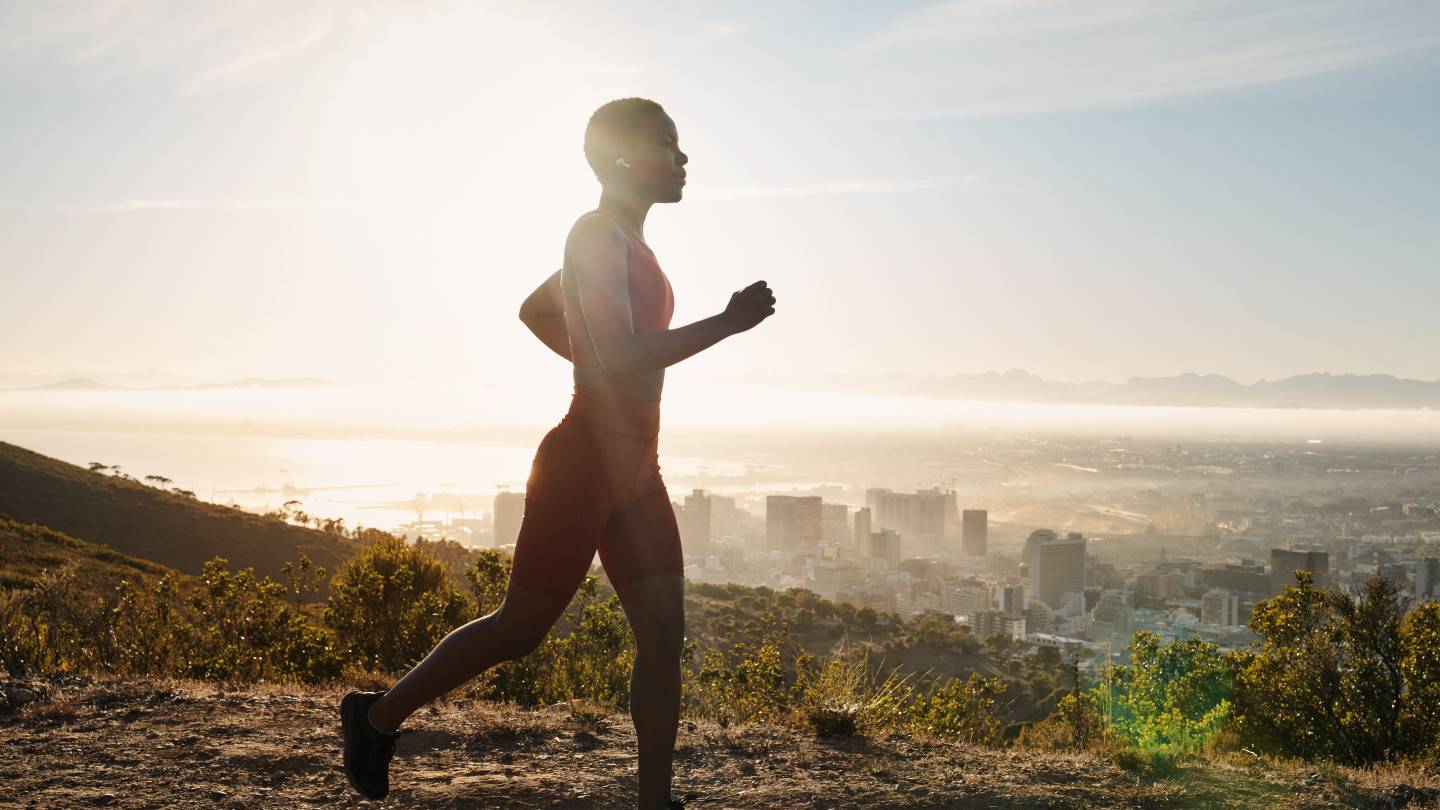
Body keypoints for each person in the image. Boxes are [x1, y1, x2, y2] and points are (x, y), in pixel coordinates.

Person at [340, 98, 776, 810]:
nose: (683, 158)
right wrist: (726, 323)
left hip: (637, 469)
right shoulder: (594, 235)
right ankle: (376, 716)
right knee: (519, 630)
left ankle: (654, 804)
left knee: (663, 636)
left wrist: (598, 362)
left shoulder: (628, 241)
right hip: (583, 462)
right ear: (624, 157)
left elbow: (539, 312)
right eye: (667, 144)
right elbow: (621, 353)